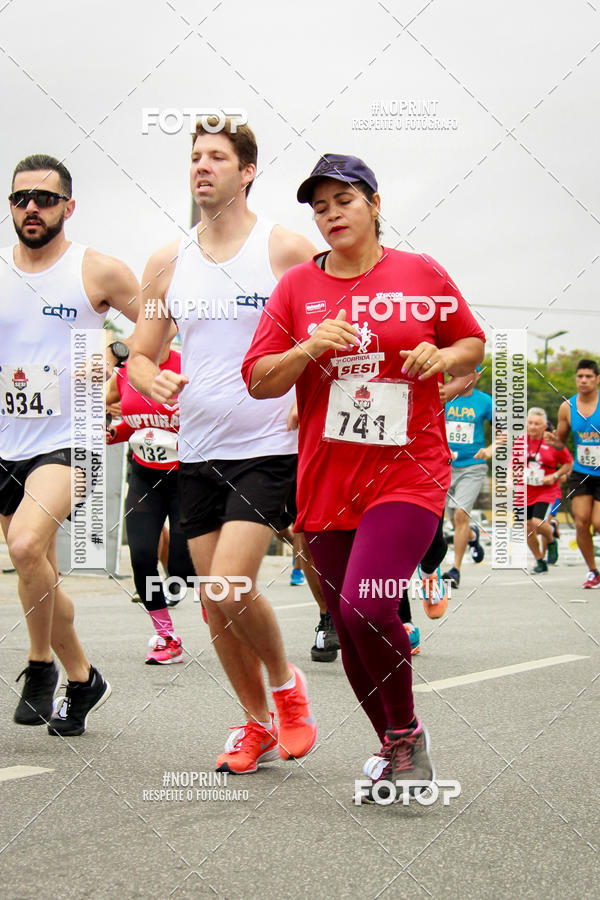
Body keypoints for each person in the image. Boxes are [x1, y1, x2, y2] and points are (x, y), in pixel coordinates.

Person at [242, 153, 485, 801]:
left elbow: (471, 344)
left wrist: (443, 353)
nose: (331, 215)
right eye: (319, 207)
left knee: (368, 604)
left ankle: (404, 733)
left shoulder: (421, 272)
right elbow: (259, 379)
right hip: (328, 481)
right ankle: (396, 743)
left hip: (409, 471)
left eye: (343, 201)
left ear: (374, 205)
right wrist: (307, 347)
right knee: (349, 624)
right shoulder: (296, 288)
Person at [128, 118, 319, 773]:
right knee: (214, 604)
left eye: (216, 157)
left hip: (267, 445)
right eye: (194, 157)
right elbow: (141, 356)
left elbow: (330, 327)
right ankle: (255, 724)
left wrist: (306, 388)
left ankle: (287, 690)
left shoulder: (284, 249)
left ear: (247, 172)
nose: (202, 167)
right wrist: (152, 377)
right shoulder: (167, 262)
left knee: (230, 584)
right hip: (198, 451)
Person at [0, 154, 140, 736]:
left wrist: (118, 352)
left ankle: (41, 666)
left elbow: (162, 322)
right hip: (8, 439)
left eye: (45, 198)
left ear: (68, 206)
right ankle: (82, 678)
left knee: (26, 545)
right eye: (20, 198)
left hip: (69, 439)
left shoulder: (97, 270)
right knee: (39, 571)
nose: (31, 207)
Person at [106, 338, 196, 662]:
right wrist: (111, 431)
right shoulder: (125, 372)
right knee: (142, 555)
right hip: (144, 476)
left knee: (183, 566)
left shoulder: (190, 364)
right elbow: (125, 419)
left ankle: (218, 610)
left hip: (188, 477)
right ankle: (166, 636)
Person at [548, 359, 600, 587]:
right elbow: (561, 442)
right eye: (580, 376)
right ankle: (593, 572)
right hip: (581, 471)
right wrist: (553, 441)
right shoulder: (567, 407)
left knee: (598, 523)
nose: (584, 380)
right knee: (581, 523)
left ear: (597, 379)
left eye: (589, 376)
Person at [442, 368, 492, 588]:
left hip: (472, 466)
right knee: (454, 519)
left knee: (461, 514)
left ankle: (455, 570)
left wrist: (491, 449)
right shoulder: (443, 396)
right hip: (445, 466)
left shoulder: (485, 402)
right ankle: (472, 536)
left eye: (469, 372)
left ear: (477, 375)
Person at [520, 408, 572, 573]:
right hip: (525, 491)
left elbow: (568, 463)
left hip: (546, 491)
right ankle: (539, 561)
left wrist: (555, 475)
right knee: (527, 527)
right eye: (530, 423)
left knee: (537, 522)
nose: (533, 427)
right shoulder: (521, 441)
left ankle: (550, 539)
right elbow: (513, 464)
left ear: (544, 426)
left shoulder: (552, 442)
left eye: (537, 424)